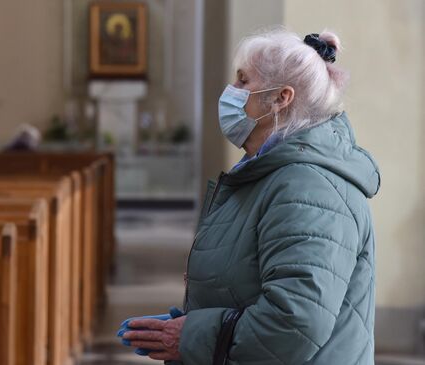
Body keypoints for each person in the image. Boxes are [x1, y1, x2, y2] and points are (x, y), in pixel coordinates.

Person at [117, 28, 380, 364]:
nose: (231, 92)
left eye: (243, 81)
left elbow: (295, 323)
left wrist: (193, 335)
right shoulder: (270, 173)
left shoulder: (308, 188)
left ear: (280, 98)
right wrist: (192, 324)